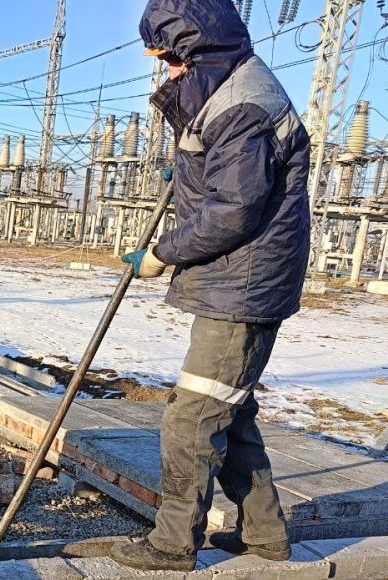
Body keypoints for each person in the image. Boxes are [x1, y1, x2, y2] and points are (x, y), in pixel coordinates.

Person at [112, 0, 311, 572]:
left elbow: (235, 210)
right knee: (231, 411)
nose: (169, 74)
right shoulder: (234, 92)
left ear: (201, 54)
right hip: (240, 282)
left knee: (192, 418)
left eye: (174, 62)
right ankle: (264, 535)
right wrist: (191, 163)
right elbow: (229, 180)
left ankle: (173, 544)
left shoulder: (242, 105)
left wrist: (161, 253)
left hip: (244, 286)